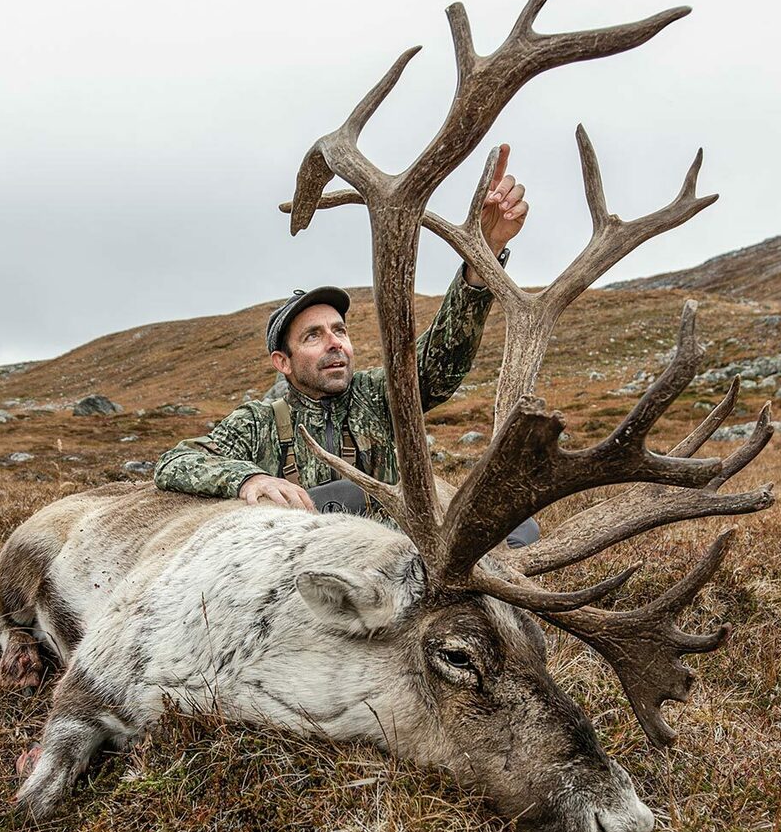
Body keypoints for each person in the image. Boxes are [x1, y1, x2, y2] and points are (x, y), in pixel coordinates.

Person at [155, 144, 536, 545]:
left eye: (339, 331)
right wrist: (249, 478)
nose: (334, 343)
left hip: (398, 557)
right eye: (313, 336)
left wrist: (484, 254)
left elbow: (443, 359)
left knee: (520, 530)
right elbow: (175, 462)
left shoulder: (380, 395)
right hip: (311, 564)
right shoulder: (258, 423)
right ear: (282, 362)